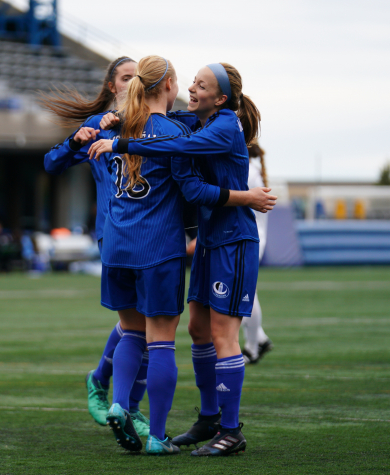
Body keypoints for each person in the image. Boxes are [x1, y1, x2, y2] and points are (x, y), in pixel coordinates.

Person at [88, 56, 275, 455]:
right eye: (190, 82)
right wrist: (113, 122)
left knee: (222, 335)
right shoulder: (202, 122)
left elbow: (184, 155)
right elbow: (182, 146)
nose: (192, 89)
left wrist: (119, 136)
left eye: (201, 85)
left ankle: (230, 429)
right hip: (206, 240)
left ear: (221, 98)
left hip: (233, 241)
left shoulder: (224, 125)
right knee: (197, 330)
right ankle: (208, 418)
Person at [42, 57, 152, 436]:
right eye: (125, 78)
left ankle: (112, 389)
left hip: (152, 235)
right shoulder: (95, 125)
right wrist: (78, 138)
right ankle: (122, 399)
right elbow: (51, 163)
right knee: (140, 323)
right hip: (113, 233)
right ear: (111, 86)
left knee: (149, 324)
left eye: (138, 77)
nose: (132, 83)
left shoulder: (152, 123)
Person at [241, 142, 274, 364]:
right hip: (251, 236)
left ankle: (253, 347)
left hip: (249, 237)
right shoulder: (251, 169)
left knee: (246, 294)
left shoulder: (247, 171)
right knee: (245, 293)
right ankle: (259, 338)